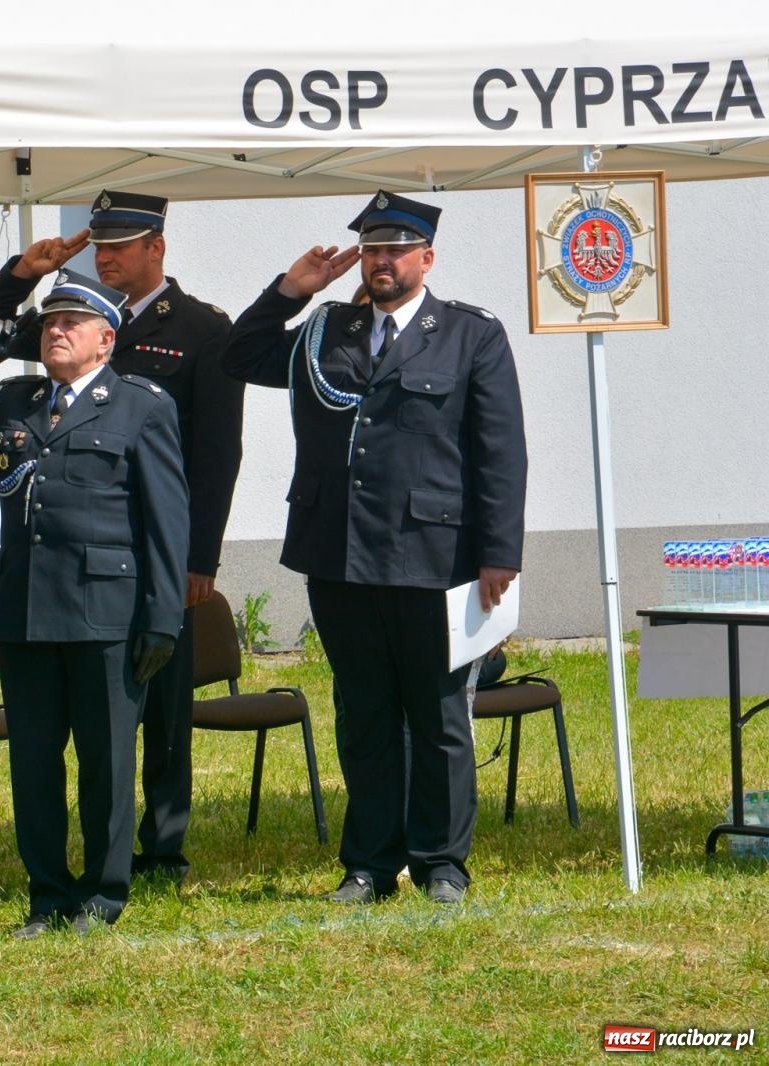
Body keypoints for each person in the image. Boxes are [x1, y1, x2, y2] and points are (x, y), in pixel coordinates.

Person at [222, 191, 527, 905]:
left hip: (435, 554)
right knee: (363, 715)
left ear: (427, 258)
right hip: (341, 554)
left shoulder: (469, 334)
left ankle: (442, 863)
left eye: (395, 249)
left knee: (440, 714)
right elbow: (239, 355)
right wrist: (292, 290)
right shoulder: (327, 328)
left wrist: (499, 553)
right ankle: (369, 863)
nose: (381, 261)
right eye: (371, 249)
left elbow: (499, 451)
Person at [0, 190, 244, 883]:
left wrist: (197, 558)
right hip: (74, 561)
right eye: (101, 245)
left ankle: (163, 843)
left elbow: (215, 452)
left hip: (157, 545)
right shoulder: (71, 315)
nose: (107, 256)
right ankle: (79, 866)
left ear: (157, 248)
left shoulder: (203, 328)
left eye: (122, 245)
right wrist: (24, 274)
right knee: (94, 719)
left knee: (160, 705)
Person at [0, 270, 188, 937]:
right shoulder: (14, 401)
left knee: (106, 760)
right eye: (50, 322)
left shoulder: (141, 405)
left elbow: (166, 520)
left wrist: (161, 616)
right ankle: (48, 894)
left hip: (106, 612)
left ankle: (102, 894)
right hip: (28, 609)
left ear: (106, 338)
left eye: (72, 322)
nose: (56, 331)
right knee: (34, 761)